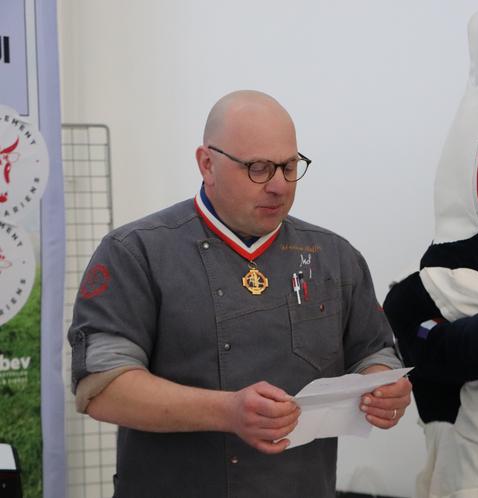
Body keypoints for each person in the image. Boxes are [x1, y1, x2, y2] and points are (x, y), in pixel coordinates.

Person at [68, 90, 412, 498]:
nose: (279, 186)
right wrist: (228, 411)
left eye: (289, 166)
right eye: (259, 168)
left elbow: (374, 351)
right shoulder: (137, 252)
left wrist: (383, 387)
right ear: (207, 163)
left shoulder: (332, 256)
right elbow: (102, 389)